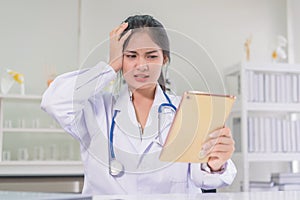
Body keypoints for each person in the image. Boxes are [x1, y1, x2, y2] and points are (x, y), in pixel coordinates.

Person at [41, 14, 237, 195]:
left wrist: (215, 164)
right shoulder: (95, 110)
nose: (141, 65)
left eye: (151, 56)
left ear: (164, 59)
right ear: (120, 59)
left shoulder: (189, 111)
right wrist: (110, 67)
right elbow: (54, 101)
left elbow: (203, 178)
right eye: (131, 56)